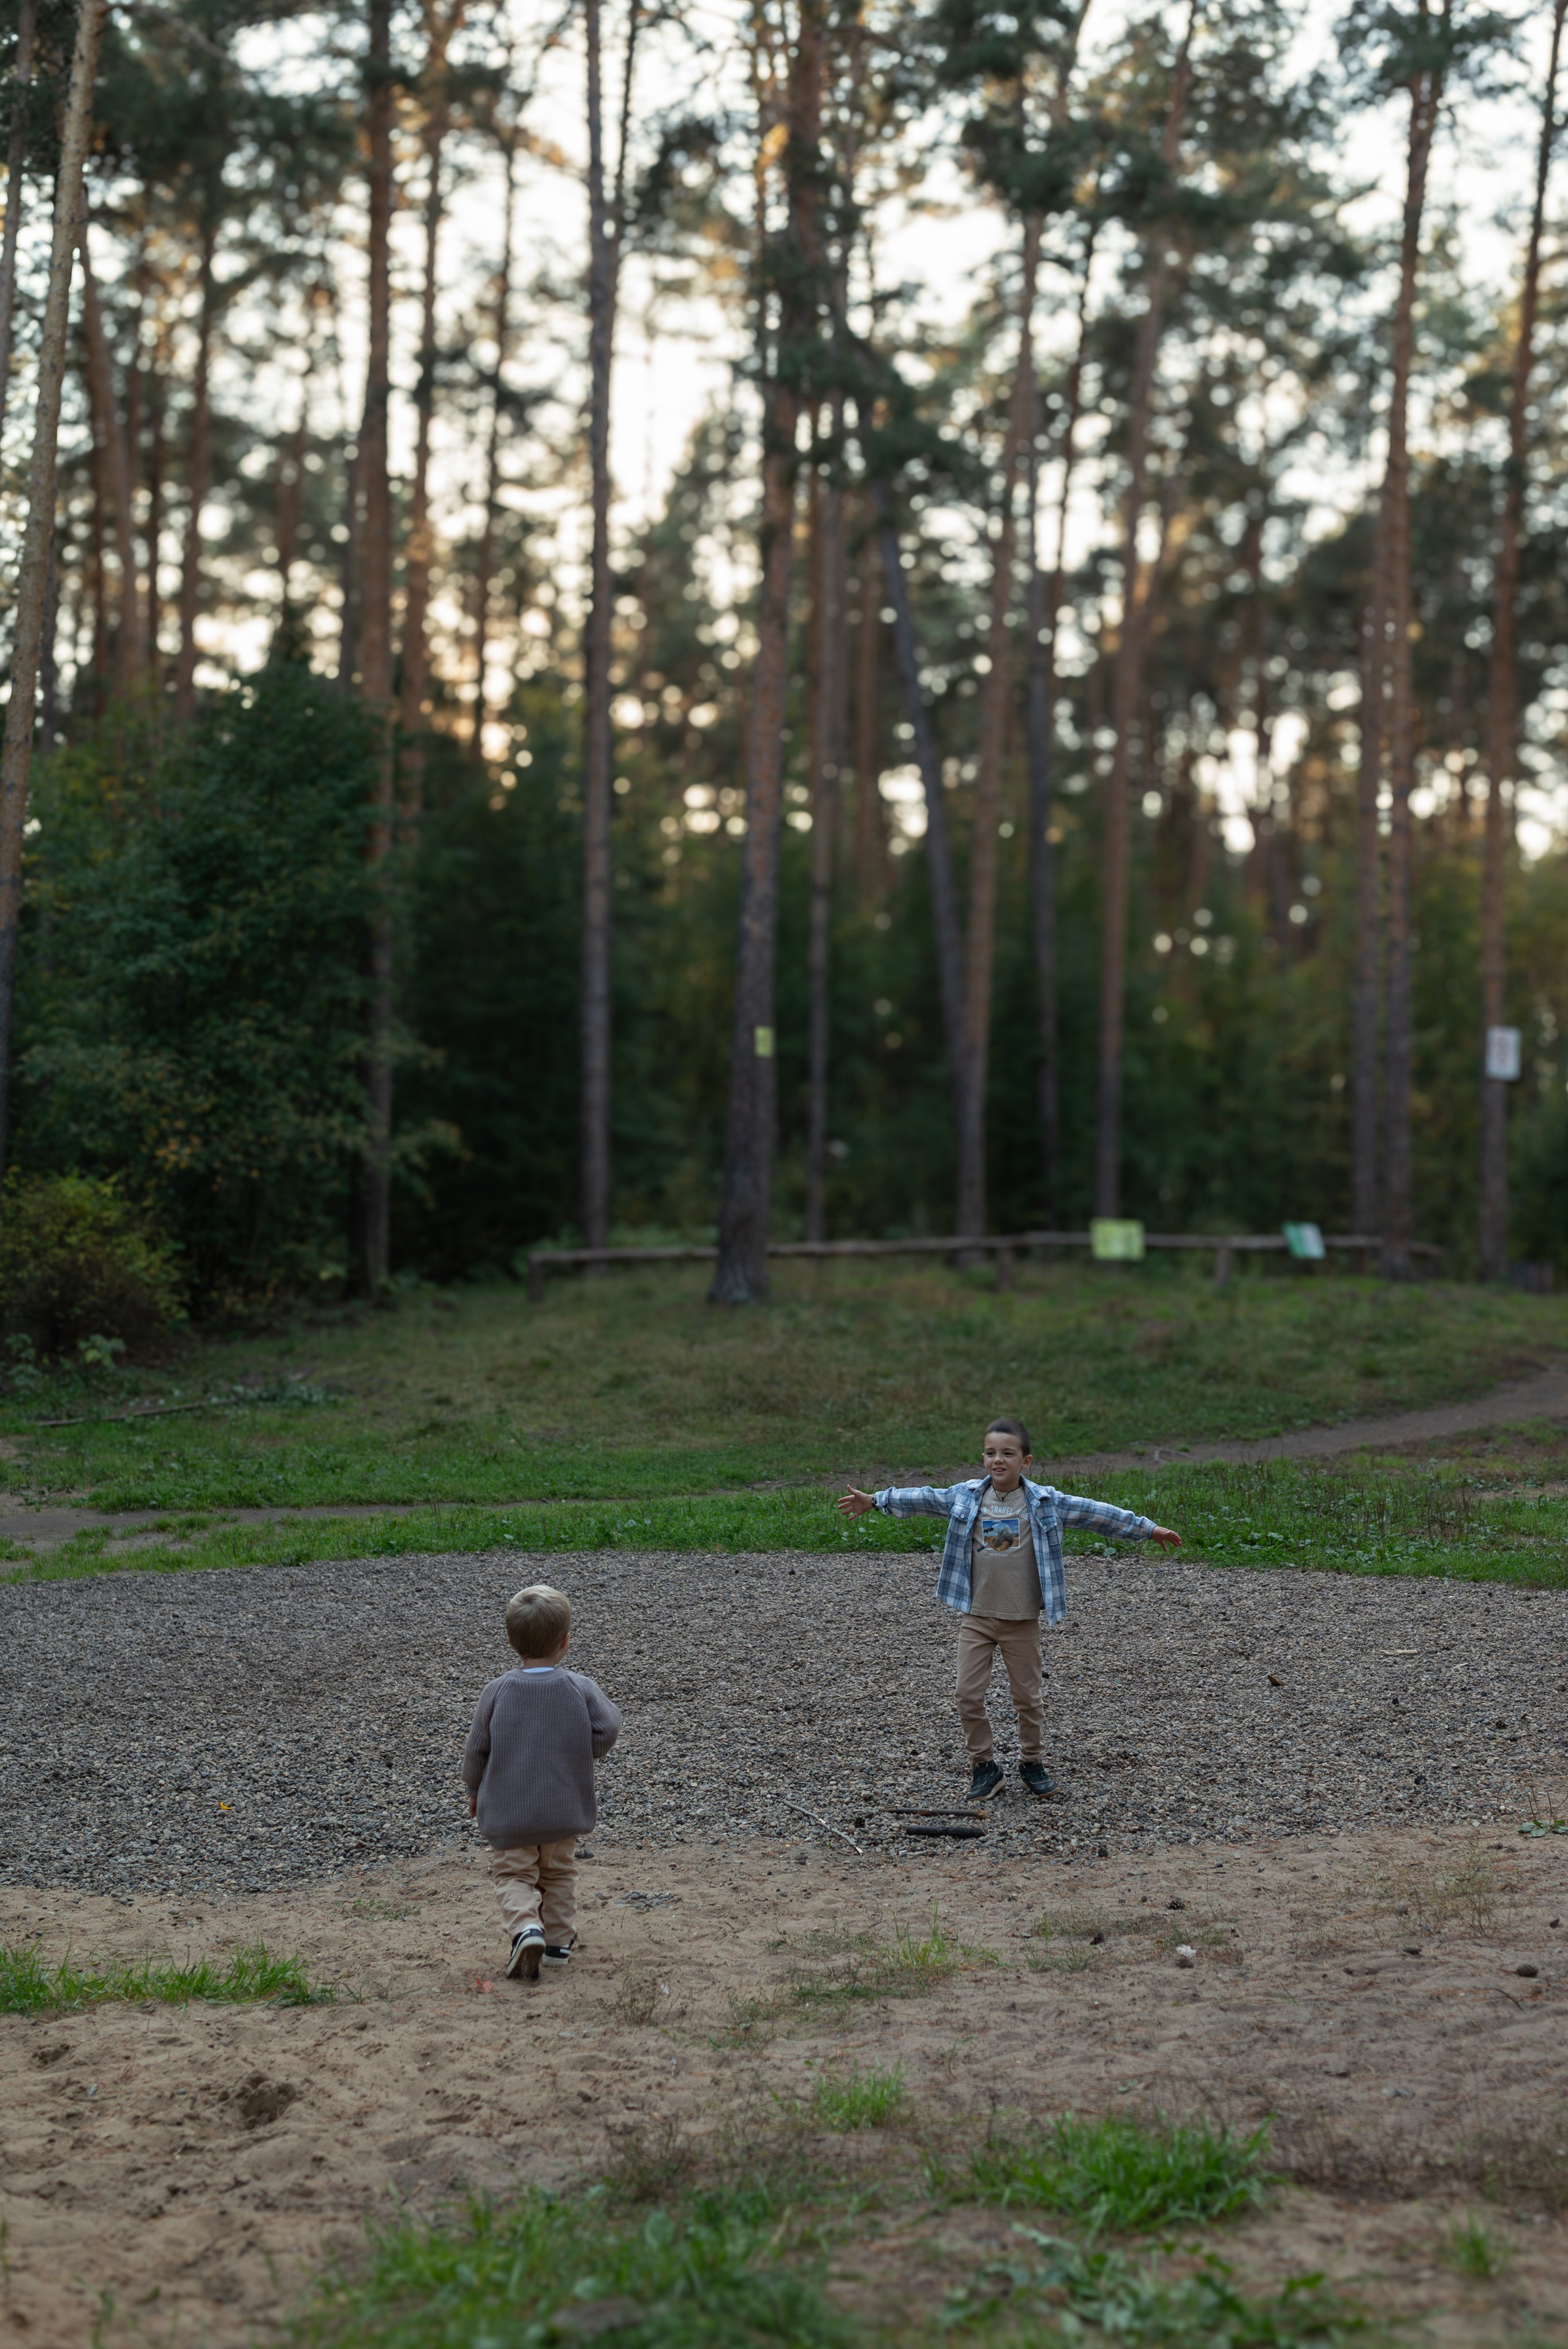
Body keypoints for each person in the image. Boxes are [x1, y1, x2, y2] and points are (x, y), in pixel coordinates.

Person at [837, 1417, 1179, 1801]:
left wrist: (1148, 1529)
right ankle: (985, 1766)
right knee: (967, 1694)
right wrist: (877, 1500)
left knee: (1028, 1699)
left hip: (1021, 1621)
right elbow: (922, 1497)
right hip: (978, 1617)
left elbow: (1096, 1514)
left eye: (1008, 1454)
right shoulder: (965, 1496)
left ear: (1026, 1461)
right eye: (990, 1453)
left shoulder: (1046, 1502)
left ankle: (1031, 1762)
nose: (998, 1460)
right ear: (983, 1457)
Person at [462, 1582, 621, 1981]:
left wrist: (474, 1790)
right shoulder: (579, 1687)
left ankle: (525, 1929)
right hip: (562, 1808)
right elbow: (608, 1728)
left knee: (514, 1875)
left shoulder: (497, 1691)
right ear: (566, 1641)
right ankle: (557, 1943)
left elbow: (476, 1750)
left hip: (511, 1814)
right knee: (559, 1873)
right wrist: (581, 1748)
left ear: (512, 1640)